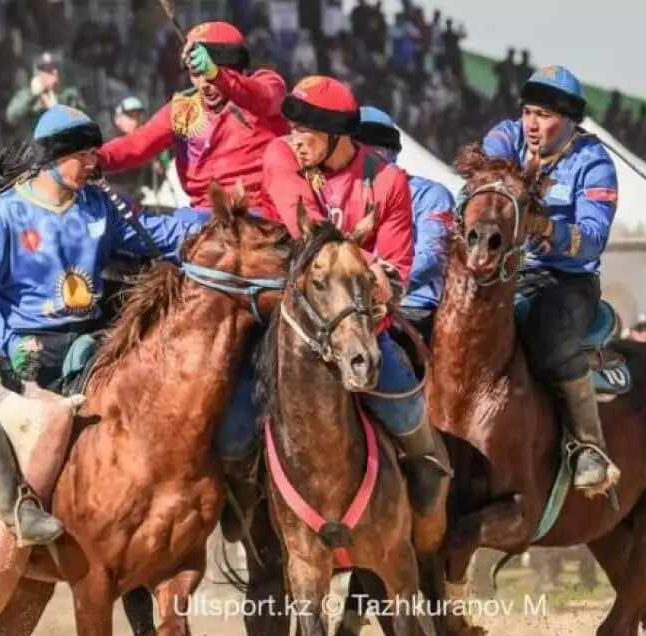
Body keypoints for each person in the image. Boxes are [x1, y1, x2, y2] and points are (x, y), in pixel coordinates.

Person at [0, 105, 196, 548]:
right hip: (24, 343)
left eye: (96, 153)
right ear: (53, 158)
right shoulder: (4, 215)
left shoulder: (100, 206)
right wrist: (9, 339)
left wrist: (216, 221)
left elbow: (156, 232)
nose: (95, 164)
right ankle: (16, 508)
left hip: (91, 339)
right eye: (84, 155)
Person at [253, 75, 450, 514]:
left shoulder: (388, 182)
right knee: (232, 425)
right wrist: (362, 262)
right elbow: (306, 232)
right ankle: (243, 502)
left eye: (306, 132)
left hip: (360, 325)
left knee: (408, 414)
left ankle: (427, 482)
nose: (296, 140)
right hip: (291, 332)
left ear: (336, 135)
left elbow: (395, 273)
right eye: (294, 129)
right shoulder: (280, 156)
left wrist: (378, 280)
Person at [480, 65, 621, 494]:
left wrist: (543, 227)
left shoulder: (595, 163)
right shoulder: (510, 137)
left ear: (571, 120)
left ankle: (587, 445)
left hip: (567, 283)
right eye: (528, 112)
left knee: (546, 328)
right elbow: (491, 156)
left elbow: (593, 240)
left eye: (544, 115)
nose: (532, 125)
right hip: (506, 273)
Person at [96, 21, 288, 225]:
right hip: (201, 220)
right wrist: (93, 159)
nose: (204, 84)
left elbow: (264, 97)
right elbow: (137, 144)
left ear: (236, 67)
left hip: (259, 217)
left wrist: (219, 76)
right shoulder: (181, 108)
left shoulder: (266, 85)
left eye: (211, 72)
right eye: (196, 74)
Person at [354, 105, 456, 343]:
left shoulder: (431, 195)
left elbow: (433, 254)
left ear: (392, 153)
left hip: (412, 308)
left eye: (378, 150)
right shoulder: (338, 194)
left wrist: (382, 287)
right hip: (352, 306)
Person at [5, 51, 87, 132]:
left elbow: (80, 122)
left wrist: (56, 105)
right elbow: (12, 117)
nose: (54, 72)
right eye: (46, 70)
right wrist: (33, 95)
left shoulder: (70, 95)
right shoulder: (26, 95)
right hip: (34, 142)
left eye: (55, 68)